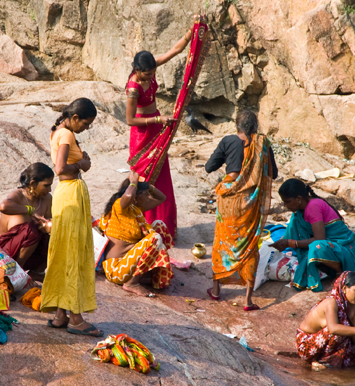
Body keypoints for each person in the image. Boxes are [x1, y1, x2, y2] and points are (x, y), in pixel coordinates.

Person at [125, 18, 200, 238]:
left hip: (157, 126)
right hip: (142, 132)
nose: (150, 76)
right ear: (137, 70)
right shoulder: (133, 88)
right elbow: (130, 120)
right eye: (147, 74)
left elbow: (175, 51)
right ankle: (141, 226)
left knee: (161, 177)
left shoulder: (151, 68)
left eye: (152, 73)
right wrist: (157, 121)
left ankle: (163, 225)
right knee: (142, 179)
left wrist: (192, 31)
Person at [205, 109, 278, 311]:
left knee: (222, 241)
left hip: (228, 198)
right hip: (250, 200)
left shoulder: (228, 141)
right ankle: (247, 300)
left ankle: (217, 290)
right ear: (255, 127)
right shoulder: (263, 145)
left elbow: (209, 167)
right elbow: (274, 173)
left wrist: (229, 162)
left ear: (236, 126)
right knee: (249, 243)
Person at [43, 98, 101, 336]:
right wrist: (81, 164)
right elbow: (59, 169)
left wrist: (79, 163)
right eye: (85, 124)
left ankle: (60, 315)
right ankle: (76, 319)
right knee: (74, 253)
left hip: (66, 195)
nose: (86, 128)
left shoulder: (59, 132)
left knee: (63, 251)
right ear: (75, 118)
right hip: (70, 194)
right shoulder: (66, 135)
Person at [274, 179, 355, 292]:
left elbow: (319, 239)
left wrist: (290, 243)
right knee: (294, 220)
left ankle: (339, 270)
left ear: (298, 199)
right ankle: (324, 264)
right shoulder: (300, 210)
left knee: (317, 248)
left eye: (287, 201)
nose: (285, 205)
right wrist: (283, 241)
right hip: (328, 242)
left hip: (341, 245)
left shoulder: (313, 207)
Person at [98, 179, 173, 297]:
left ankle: (143, 274)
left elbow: (161, 198)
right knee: (155, 238)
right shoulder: (119, 207)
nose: (148, 197)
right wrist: (133, 181)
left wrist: (148, 186)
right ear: (135, 197)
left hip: (128, 265)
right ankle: (131, 283)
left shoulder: (135, 209)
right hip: (117, 270)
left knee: (159, 225)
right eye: (146, 194)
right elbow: (127, 195)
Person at [295, 271, 355, 370]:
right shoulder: (331, 302)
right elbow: (333, 329)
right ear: (344, 289)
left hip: (325, 343)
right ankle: (318, 360)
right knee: (339, 332)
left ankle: (332, 362)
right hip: (306, 344)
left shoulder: (354, 308)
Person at [0, 162, 53, 275]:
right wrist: (30, 211)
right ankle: (17, 274)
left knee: (57, 234)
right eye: (46, 185)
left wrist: (46, 226)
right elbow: (3, 207)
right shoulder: (18, 196)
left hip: (32, 254)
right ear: (32, 183)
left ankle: (37, 273)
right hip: (5, 256)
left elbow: (49, 223)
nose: (50, 189)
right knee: (31, 230)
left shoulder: (47, 199)